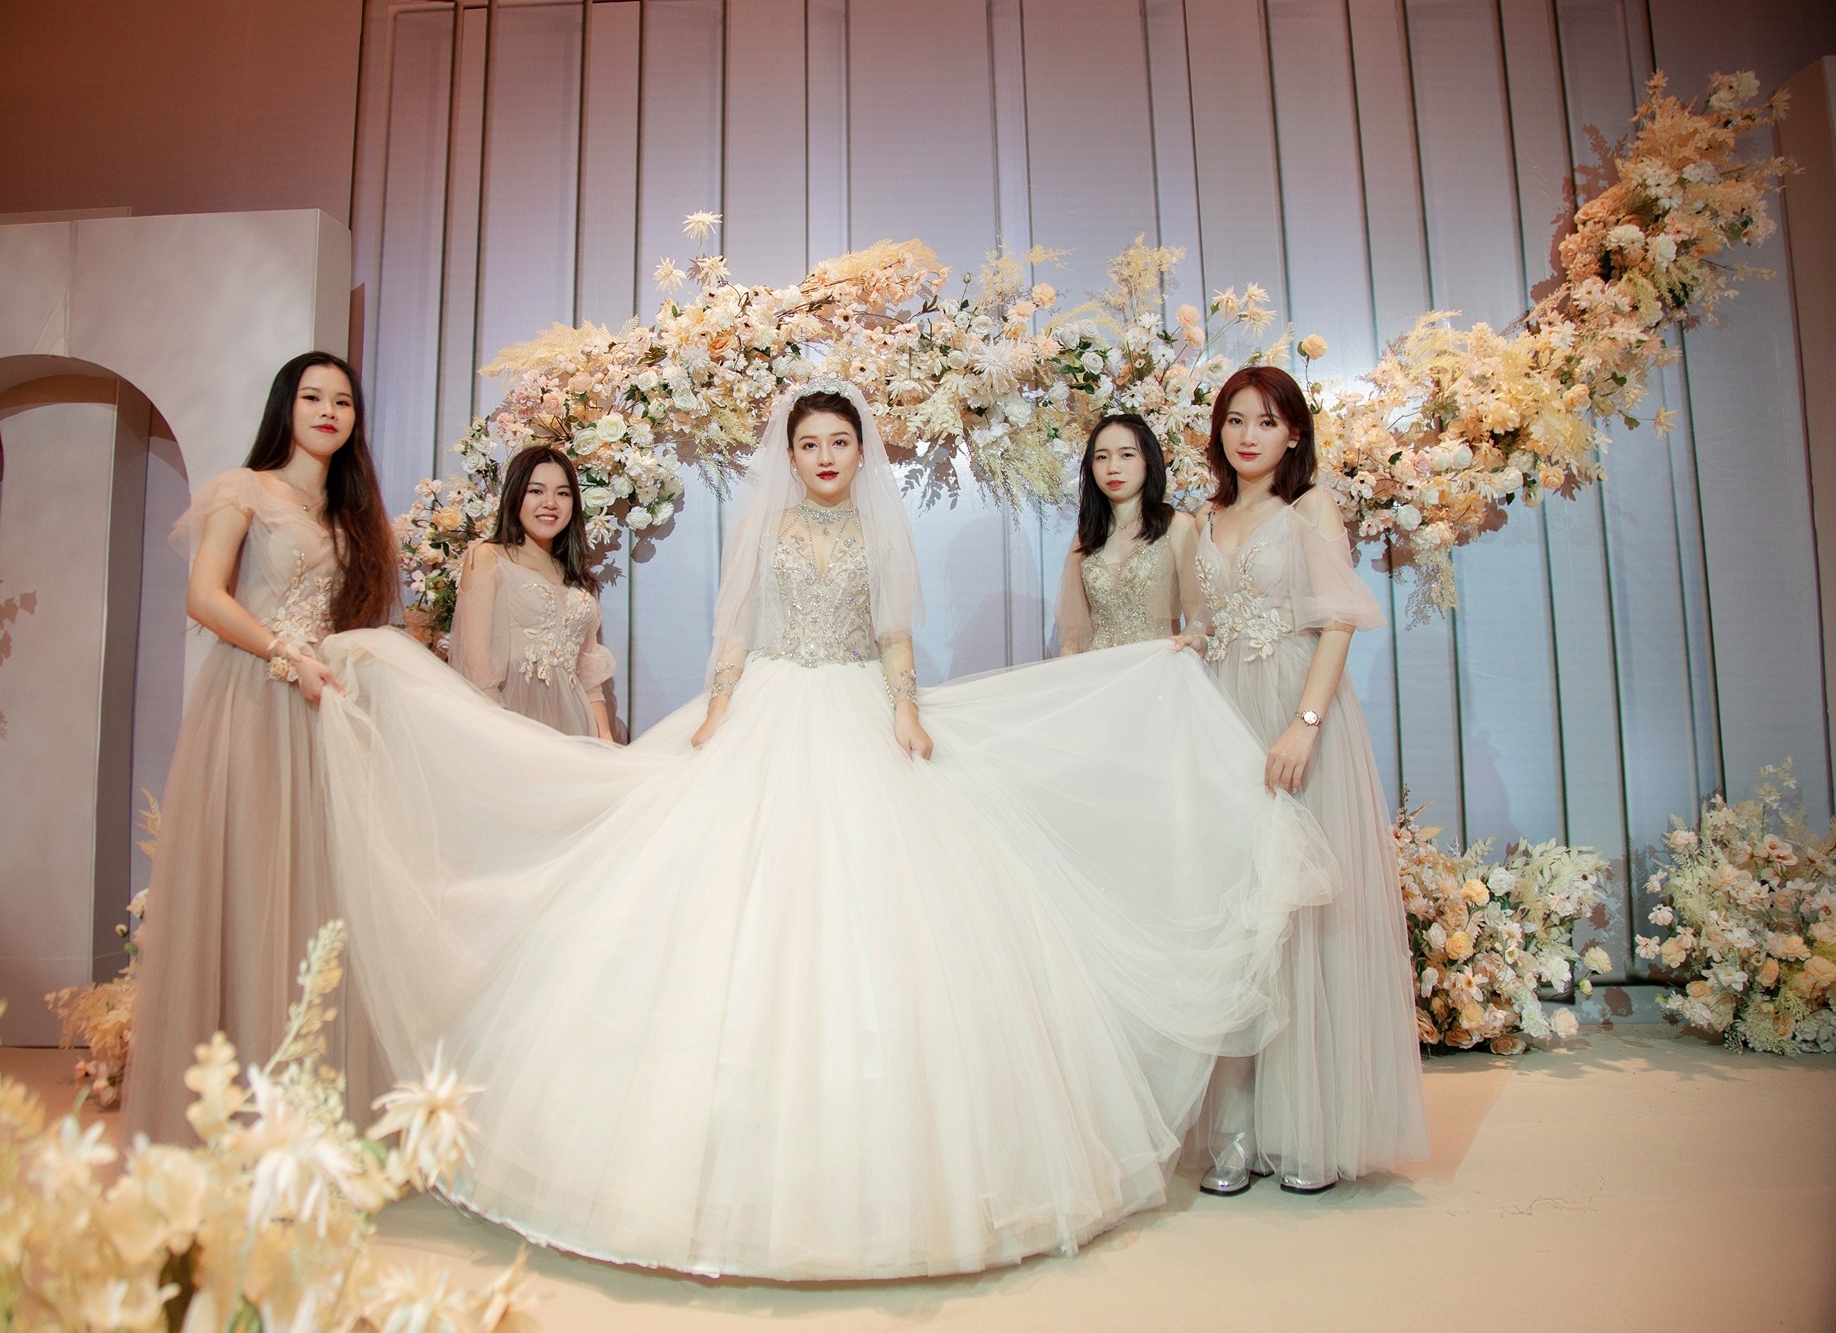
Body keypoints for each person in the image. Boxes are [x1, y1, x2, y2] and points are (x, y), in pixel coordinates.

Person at [315, 377, 1339, 1280]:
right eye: (807, 443)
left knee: (893, 917)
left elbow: (892, 632)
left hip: (855, 705)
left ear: (859, 450)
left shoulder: (875, 532)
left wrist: (905, 704)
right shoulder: (767, 530)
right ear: (791, 454)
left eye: (838, 441)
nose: (823, 456)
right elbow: (736, 629)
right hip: (769, 704)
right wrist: (719, 703)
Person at [125, 351, 398, 1146]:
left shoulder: (352, 516)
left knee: (316, 891)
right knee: (248, 881)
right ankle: (232, 1109)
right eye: (312, 397)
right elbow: (204, 596)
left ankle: (301, 1109)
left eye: (342, 400)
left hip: (318, 707)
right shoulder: (244, 489)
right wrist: (286, 656)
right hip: (251, 697)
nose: (328, 411)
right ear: (287, 407)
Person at [1181, 364, 1429, 1195]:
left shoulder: (1311, 508)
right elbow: (1208, 622)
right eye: (1235, 419)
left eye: (1266, 420)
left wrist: (1307, 722)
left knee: (1300, 920)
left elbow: (1337, 622)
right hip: (1225, 720)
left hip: (1295, 713)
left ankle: (1307, 1127)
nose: (1247, 435)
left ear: (1293, 433)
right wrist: (1185, 646)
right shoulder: (1204, 518)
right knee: (1238, 918)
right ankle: (1236, 1129)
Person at [448, 446, 615, 739]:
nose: (550, 503)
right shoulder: (488, 558)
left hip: (576, 731)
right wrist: (509, 740)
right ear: (515, 496)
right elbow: (476, 670)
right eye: (536, 491)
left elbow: (589, 679)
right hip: (511, 727)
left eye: (562, 493)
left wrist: (606, 742)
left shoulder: (577, 575)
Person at [1056, 413, 1197, 653]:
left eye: (1127, 455)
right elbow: (1073, 639)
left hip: (1157, 666)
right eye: (1102, 457)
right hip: (1099, 669)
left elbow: (1199, 620)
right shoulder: (1087, 538)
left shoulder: (1178, 527)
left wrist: (1191, 641)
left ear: (1148, 460)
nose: (1113, 468)